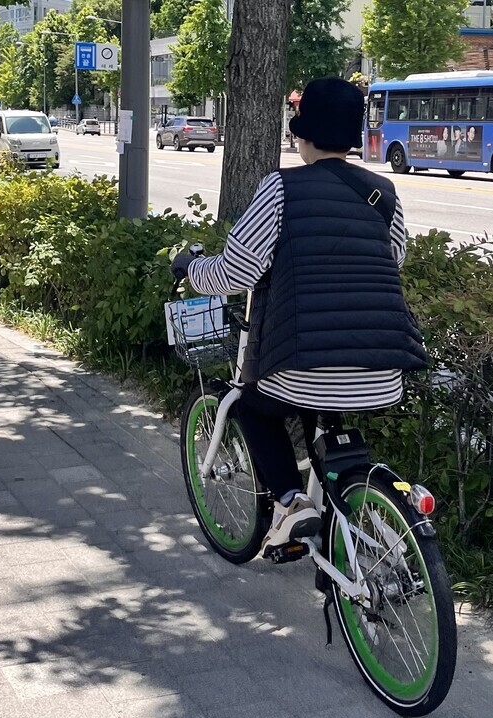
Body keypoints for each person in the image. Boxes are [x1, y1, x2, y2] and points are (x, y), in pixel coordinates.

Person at [171, 78, 427, 557]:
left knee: (252, 405)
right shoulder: (383, 193)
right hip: (383, 370)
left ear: (302, 135)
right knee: (320, 411)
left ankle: (290, 504)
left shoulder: (281, 188)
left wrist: (189, 268)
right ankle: (350, 522)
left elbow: (235, 271)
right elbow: (391, 259)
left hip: (302, 367)